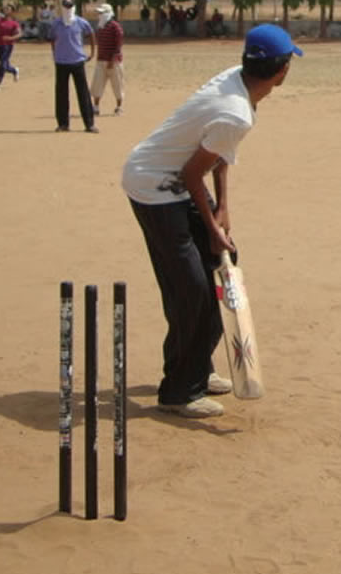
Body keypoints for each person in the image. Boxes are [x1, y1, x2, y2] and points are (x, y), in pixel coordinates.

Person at [122, 24, 303, 418]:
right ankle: (179, 391)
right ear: (282, 70)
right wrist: (212, 224)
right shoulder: (235, 111)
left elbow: (217, 156)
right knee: (193, 291)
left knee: (221, 271)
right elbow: (192, 173)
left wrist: (222, 211)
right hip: (153, 186)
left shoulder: (236, 84)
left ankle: (197, 369)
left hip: (177, 179)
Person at [49, 0, 98, 133]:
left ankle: (89, 124)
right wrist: (55, 53)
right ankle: (63, 124)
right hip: (61, 62)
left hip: (77, 61)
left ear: (74, 7)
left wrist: (92, 52)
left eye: (70, 6)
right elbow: (52, 39)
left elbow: (91, 34)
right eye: (65, 6)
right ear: (62, 7)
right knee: (61, 93)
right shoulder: (56, 24)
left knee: (83, 93)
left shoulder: (81, 22)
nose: (68, 9)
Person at [90, 2, 125, 116]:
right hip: (101, 60)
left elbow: (118, 45)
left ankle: (119, 107)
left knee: (117, 84)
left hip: (113, 62)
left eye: (101, 13)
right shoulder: (100, 27)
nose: (99, 15)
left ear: (108, 14)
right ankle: (95, 107)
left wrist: (112, 60)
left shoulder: (115, 27)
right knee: (97, 84)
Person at [0, 6, 21, 91]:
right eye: (5, 9)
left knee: (3, 64)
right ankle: (14, 70)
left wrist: (10, 38)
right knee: (4, 64)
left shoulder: (14, 23)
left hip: (8, 46)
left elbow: (19, 34)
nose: (6, 10)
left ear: (12, 11)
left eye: (8, 9)